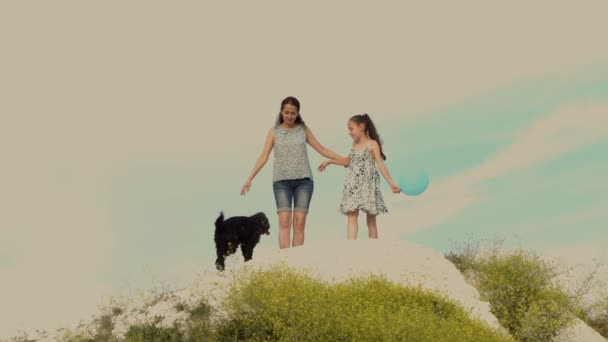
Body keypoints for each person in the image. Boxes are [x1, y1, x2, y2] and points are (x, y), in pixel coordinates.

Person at [241, 96, 344, 248]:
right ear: (281, 112)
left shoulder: (303, 129)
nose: (289, 116)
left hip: (304, 182)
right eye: (287, 112)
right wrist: (250, 178)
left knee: (299, 221)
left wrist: (343, 159)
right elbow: (264, 156)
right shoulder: (273, 132)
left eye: (293, 113)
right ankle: (285, 259)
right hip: (281, 182)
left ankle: (297, 260)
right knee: (284, 220)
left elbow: (321, 149)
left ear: (298, 114)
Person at [318, 113, 400, 240]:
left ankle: (373, 246)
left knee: (371, 219)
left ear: (361, 127)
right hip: (353, 185)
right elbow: (347, 162)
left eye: (351, 129)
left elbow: (380, 165)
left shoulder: (372, 144)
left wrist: (391, 183)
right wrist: (330, 162)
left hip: (368, 185)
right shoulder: (354, 146)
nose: (349, 133)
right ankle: (352, 245)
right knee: (351, 216)